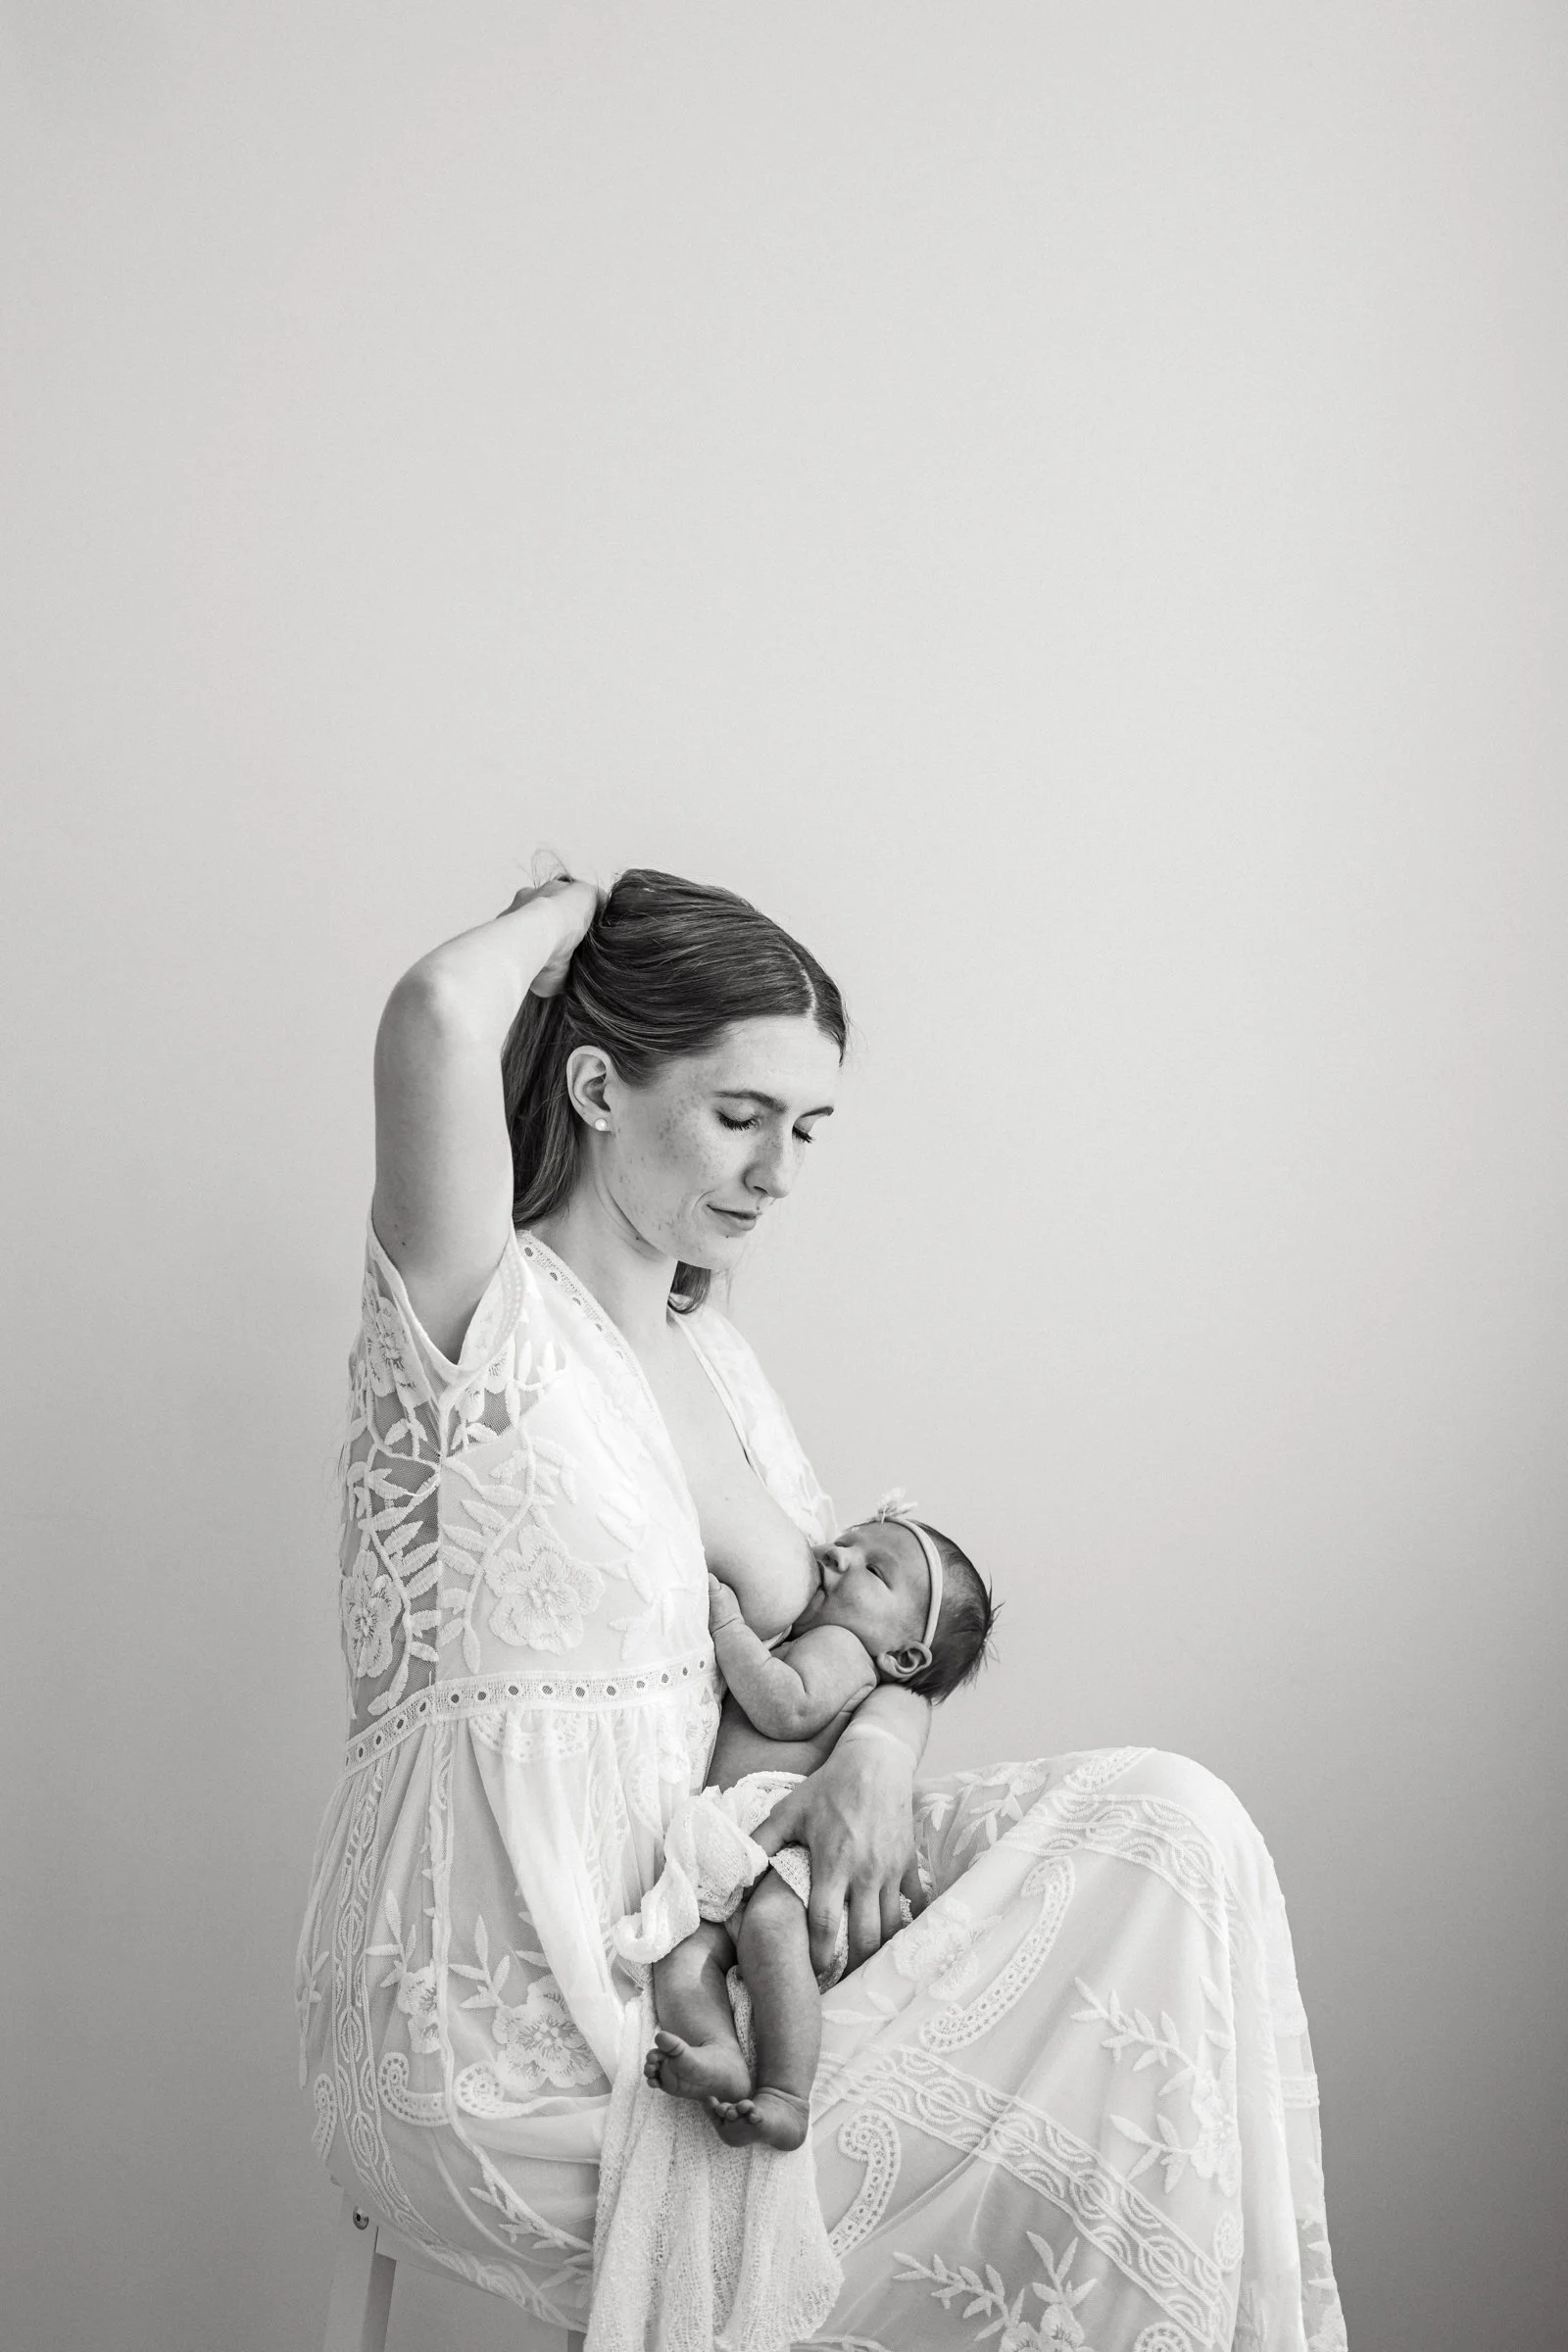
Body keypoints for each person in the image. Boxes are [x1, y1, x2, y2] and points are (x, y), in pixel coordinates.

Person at [297, 864, 1348, 2352]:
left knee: (1175, 1827)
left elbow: (842, 1635)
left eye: (809, 1129)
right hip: (511, 2030)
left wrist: (887, 1739)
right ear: (598, 1084)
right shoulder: (478, 1319)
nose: (779, 1173)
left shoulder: (715, 1359)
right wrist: (567, 911)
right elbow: (433, 1014)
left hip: (725, 1932)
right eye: (742, 1115)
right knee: (1082, 2056)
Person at [621, 1501, 995, 2150]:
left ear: (904, 1657)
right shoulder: (824, 1639)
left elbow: (787, 1707)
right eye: (847, 1542)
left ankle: (787, 2092)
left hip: (793, 1839)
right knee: (683, 1957)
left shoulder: (841, 1649)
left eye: (873, 1570)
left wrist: (729, 1627)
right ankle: (719, 2053)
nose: (838, 1556)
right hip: (737, 1841)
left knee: (769, 1927)